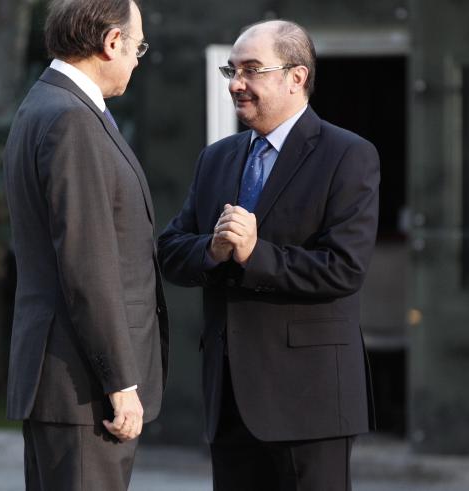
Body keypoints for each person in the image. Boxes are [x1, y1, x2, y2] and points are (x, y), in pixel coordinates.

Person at [158, 19, 379, 490]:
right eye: (231, 71)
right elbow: (171, 252)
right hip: (231, 399)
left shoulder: (348, 155)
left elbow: (344, 269)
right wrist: (214, 250)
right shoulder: (215, 158)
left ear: (296, 77)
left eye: (252, 70)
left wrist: (255, 253)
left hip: (310, 401)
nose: (237, 84)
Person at [2, 0, 167, 489]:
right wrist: (120, 381)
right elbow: (87, 263)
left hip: (66, 380)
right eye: (137, 46)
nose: (138, 59)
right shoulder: (71, 118)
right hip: (83, 387)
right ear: (111, 42)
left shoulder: (44, 103)